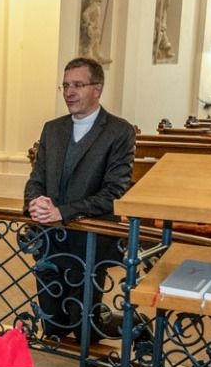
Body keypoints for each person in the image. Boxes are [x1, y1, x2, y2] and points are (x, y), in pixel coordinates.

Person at [24, 58, 136, 344]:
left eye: (77, 85)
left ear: (97, 89)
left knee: (84, 326)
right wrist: (33, 203)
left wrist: (63, 212)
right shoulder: (53, 128)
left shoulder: (119, 131)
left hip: (89, 241)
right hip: (49, 239)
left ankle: (133, 327)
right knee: (52, 324)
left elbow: (114, 192)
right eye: (65, 86)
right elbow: (37, 177)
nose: (69, 92)